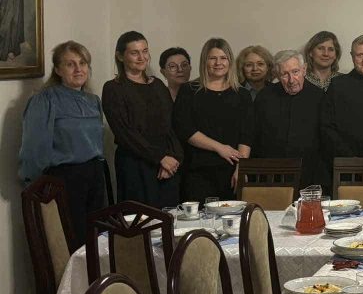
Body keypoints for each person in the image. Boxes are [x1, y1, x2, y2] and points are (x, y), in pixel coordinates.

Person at [19, 41, 106, 244]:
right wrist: (36, 187)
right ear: (58, 70)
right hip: (65, 180)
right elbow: (34, 147)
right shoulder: (45, 100)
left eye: (82, 63)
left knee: (97, 241)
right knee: (73, 242)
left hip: (94, 176)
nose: (78, 69)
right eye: (70, 64)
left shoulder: (93, 101)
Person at [102, 31, 183, 209]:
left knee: (170, 219)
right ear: (120, 56)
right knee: (140, 220)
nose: (142, 57)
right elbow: (125, 133)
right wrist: (159, 157)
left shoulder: (158, 85)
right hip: (136, 166)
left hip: (167, 167)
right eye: (134, 53)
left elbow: (170, 125)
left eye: (145, 51)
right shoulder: (113, 89)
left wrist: (174, 157)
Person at [173, 37, 253, 201]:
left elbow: (247, 133)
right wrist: (219, 148)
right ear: (205, 61)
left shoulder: (242, 94)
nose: (218, 63)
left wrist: (241, 168)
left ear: (230, 61)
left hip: (231, 172)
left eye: (223, 58)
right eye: (213, 58)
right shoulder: (189, 91)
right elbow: (185, 129)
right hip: (197, 171)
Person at [251, 49, 327, 192]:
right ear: (277, 75)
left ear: (304, 69)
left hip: (310, 175)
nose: (291, 80)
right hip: (272, 175)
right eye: (285, 74)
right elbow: (254, 136)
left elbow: (326, 139)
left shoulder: (319, 97)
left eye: (295, 72)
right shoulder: (264, 97)